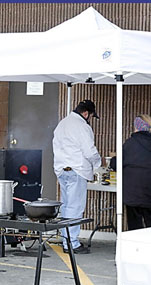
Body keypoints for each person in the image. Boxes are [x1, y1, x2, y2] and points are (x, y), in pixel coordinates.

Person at [52, 99, 101, 254]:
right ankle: (71, 243)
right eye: (91, 116)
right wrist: (98, 165)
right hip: (77, 169)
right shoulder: (82, 126)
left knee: (66, 206)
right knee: (75, 207)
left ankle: (66, 238)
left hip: (61, 170)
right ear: (86, 113)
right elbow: (89, 151)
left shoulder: (62, 123)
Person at [121, 114, 151, 231]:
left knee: (135, 224)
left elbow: (117, 163)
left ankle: (137, 248)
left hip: (133, 191)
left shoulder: (131, 143)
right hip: (150, 189)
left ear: (136, 127)